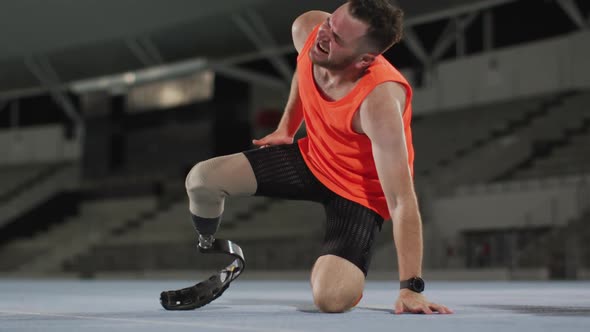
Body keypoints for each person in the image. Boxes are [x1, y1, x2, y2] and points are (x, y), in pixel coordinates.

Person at [181, 0, 452, 314]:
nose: (323, 35)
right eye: (330, 23)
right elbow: (304, 66)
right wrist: (287, 127)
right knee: (201, 180)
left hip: (358, 194)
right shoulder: (310, 29)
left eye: (338, 39)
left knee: (331, 299)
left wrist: (411, 288)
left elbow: (402, 201)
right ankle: (206, 242)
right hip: (312, 159)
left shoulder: (378, 103)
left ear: (365, 59)